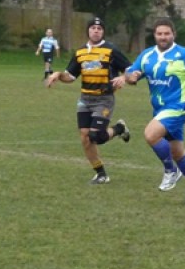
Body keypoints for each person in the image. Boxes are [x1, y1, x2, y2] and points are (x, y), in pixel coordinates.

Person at [124, 17, 185, 206]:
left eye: (167, 33)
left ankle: (170, 170)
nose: (163, 37)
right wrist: (130, 77)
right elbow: (132, 73)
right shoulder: (147, 55)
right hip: (160, 109)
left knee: (150, 134)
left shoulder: (184, 54)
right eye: (159, 33)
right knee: (178, 152)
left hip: (178, 107)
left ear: (174, 34)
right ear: (154, 35)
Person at [45, 17, 131, 184]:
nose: (96, 31)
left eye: (99, 28)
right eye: (93, 28)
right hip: (85, 100)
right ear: (88, 31)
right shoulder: (80, 52)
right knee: (85, 138)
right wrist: (58, 75)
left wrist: (123, 78)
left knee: (96, 136)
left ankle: (119, 128)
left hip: (104, 99)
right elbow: (70, 76)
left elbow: (131, 68)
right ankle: (101, 174)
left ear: (103, 32)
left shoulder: (111, 50)